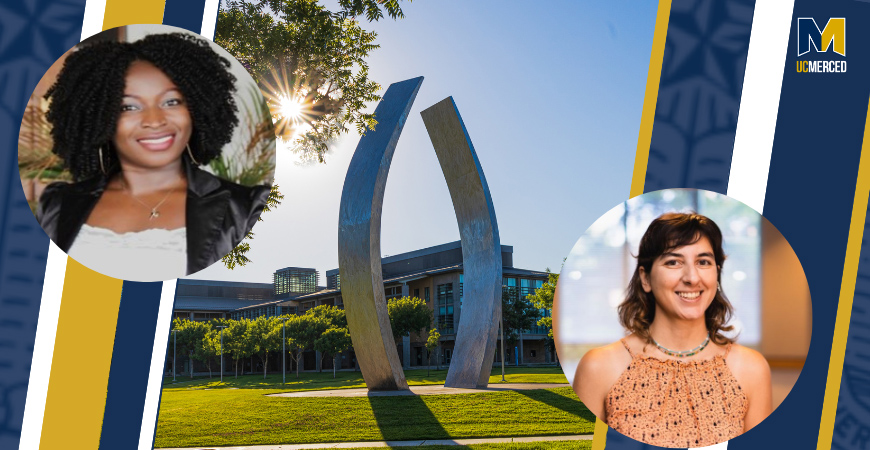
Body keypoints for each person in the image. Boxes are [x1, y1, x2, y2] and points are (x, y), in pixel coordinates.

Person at [36, 32, 270, 281]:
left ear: (195, 109)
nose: (155, 121)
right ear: (100, 118)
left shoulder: (246, 210)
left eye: (171, 101)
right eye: (129, 107)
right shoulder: (58, 206)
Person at [573, 213, 772, 447]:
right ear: (645, 278)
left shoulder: (751, 369)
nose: (692, 277)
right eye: (673, 262)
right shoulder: (599, 367)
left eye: (703, 262)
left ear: (717, 274)